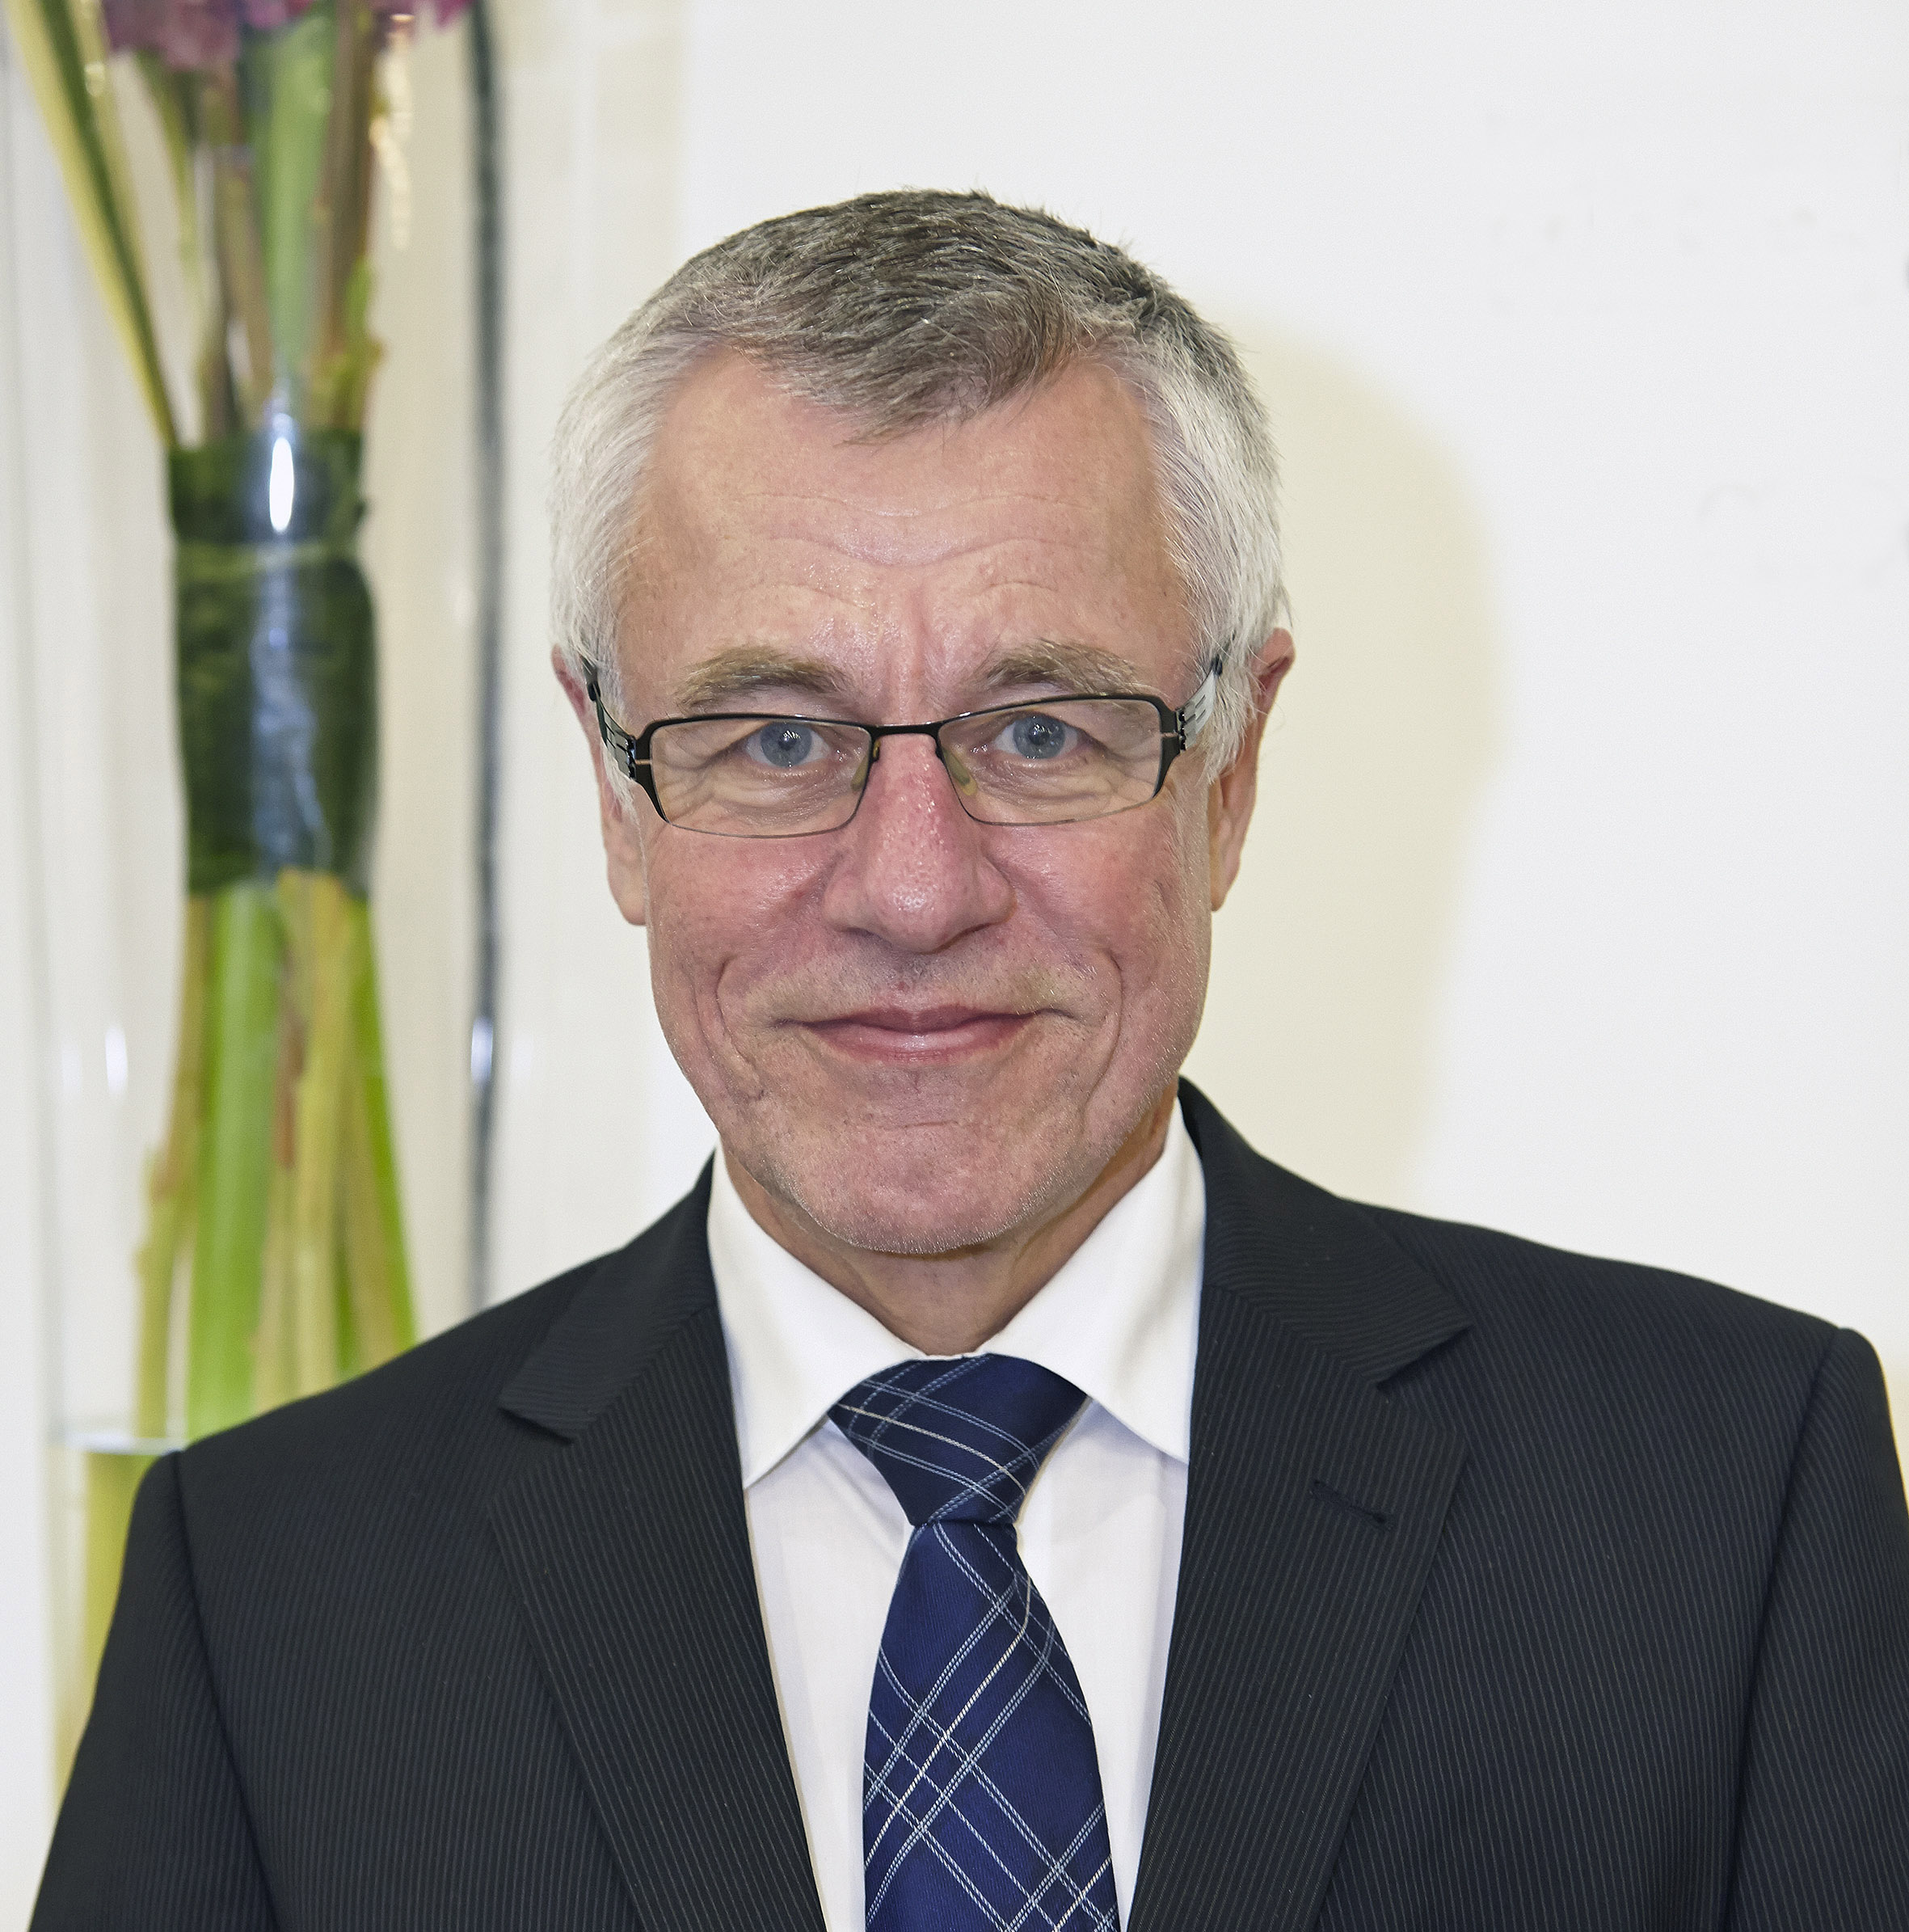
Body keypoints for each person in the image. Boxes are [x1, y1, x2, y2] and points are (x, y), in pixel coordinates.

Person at [34, 190, 1909, 1932]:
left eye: (1038, 731)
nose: (913, 893)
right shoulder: (266, 1601)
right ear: (615, 793)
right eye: (775, 740)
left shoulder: (1728, 1504)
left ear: (1228, 773)